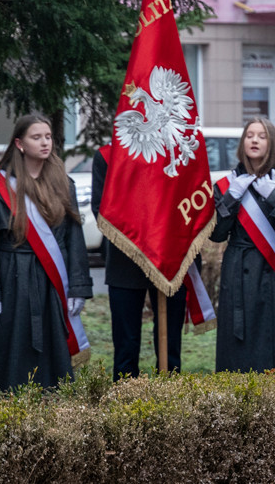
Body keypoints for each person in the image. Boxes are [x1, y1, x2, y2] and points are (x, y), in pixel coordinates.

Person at [0, 115, 92, 390]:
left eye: (48, 137)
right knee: (12, 346)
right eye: (36, 137)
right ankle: (10, 409)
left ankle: (53, 408)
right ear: (19, 143)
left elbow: (74, 240)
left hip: (53, 281)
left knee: (54, 347)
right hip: (12, 278)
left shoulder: (64, 183)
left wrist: (77, 286)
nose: (44, 143)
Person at [212, 117, 275, 374]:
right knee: (235, 341)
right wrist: (230, 198)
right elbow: (216, 234)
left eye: (261, 136)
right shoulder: (229, 184)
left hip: (273, 271)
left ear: (272, 143)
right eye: (249, 135)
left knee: (274, 339)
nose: (254, 140)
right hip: (237, 270)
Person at [91, 144, 187, 377]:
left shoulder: (177, 152)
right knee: (126, 345)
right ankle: (125, 403)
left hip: (169, 255)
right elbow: (101, 209)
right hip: (126, 258)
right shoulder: (107, 156)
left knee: (170, 344)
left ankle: (171, 399)